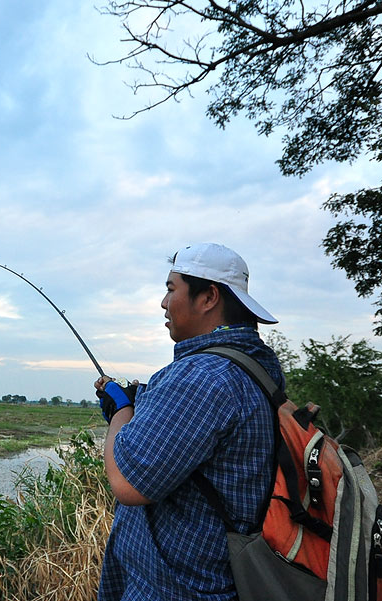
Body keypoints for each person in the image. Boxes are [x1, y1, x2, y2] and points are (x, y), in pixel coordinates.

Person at [94, 242, 284, 601]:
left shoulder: (203, 376)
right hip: (220, 581)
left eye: (171, 289)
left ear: (208, 297)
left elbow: (127, 483)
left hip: (178, 588)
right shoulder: (255, 366)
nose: (164, 303)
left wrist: (121, 410)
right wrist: (144, 404)